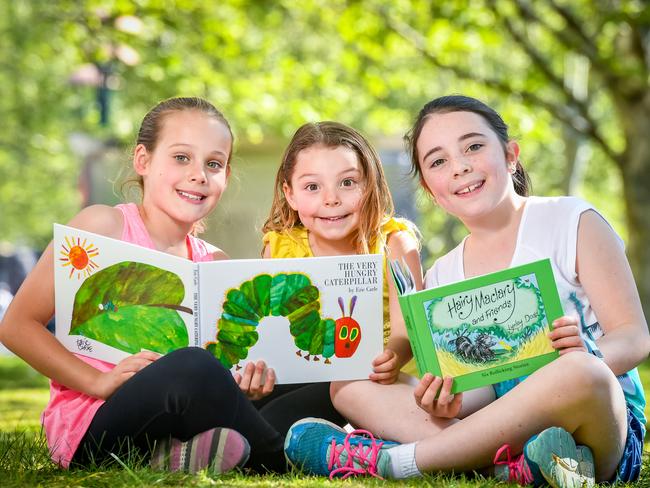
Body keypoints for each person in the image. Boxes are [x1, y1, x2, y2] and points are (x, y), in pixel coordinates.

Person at [283, 95, 649, 486]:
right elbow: (480, 392)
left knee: (580, 371)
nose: (460, 167)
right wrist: (444, 400)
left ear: (510, 155)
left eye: (473, 146)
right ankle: (514, 468)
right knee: (351, 385)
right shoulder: (442, 276)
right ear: (430, 187)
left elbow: (634, 338)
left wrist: (585, 352)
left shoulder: (571, 220)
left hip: (594, 417)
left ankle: (394, 461)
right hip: (501, 425)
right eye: (438, 161)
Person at [0, 97, 287, 475]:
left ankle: (180, 456)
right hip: (94, 424)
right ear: (143, 160)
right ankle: (285, 459)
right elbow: (17, 326)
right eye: (181, 157)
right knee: (191, 365)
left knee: (288, 383)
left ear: (226, 177)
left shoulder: (217, 264)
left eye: (213, 164)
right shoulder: (101, 228)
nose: (199, 174)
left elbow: (217, 371)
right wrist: (99, 382)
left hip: (178, 416)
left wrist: (240, 387)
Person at [258, 121, 424, 435]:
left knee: (277, 418)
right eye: (312, 187)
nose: (331, 199)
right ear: (290, 194)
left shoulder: (394, 244)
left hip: (378, 381)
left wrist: (394, 354)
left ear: (370, 185)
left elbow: (410, 331)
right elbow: (272, 337)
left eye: (347, 183)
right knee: (254, 403)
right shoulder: (279, 247)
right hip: (305, 377)